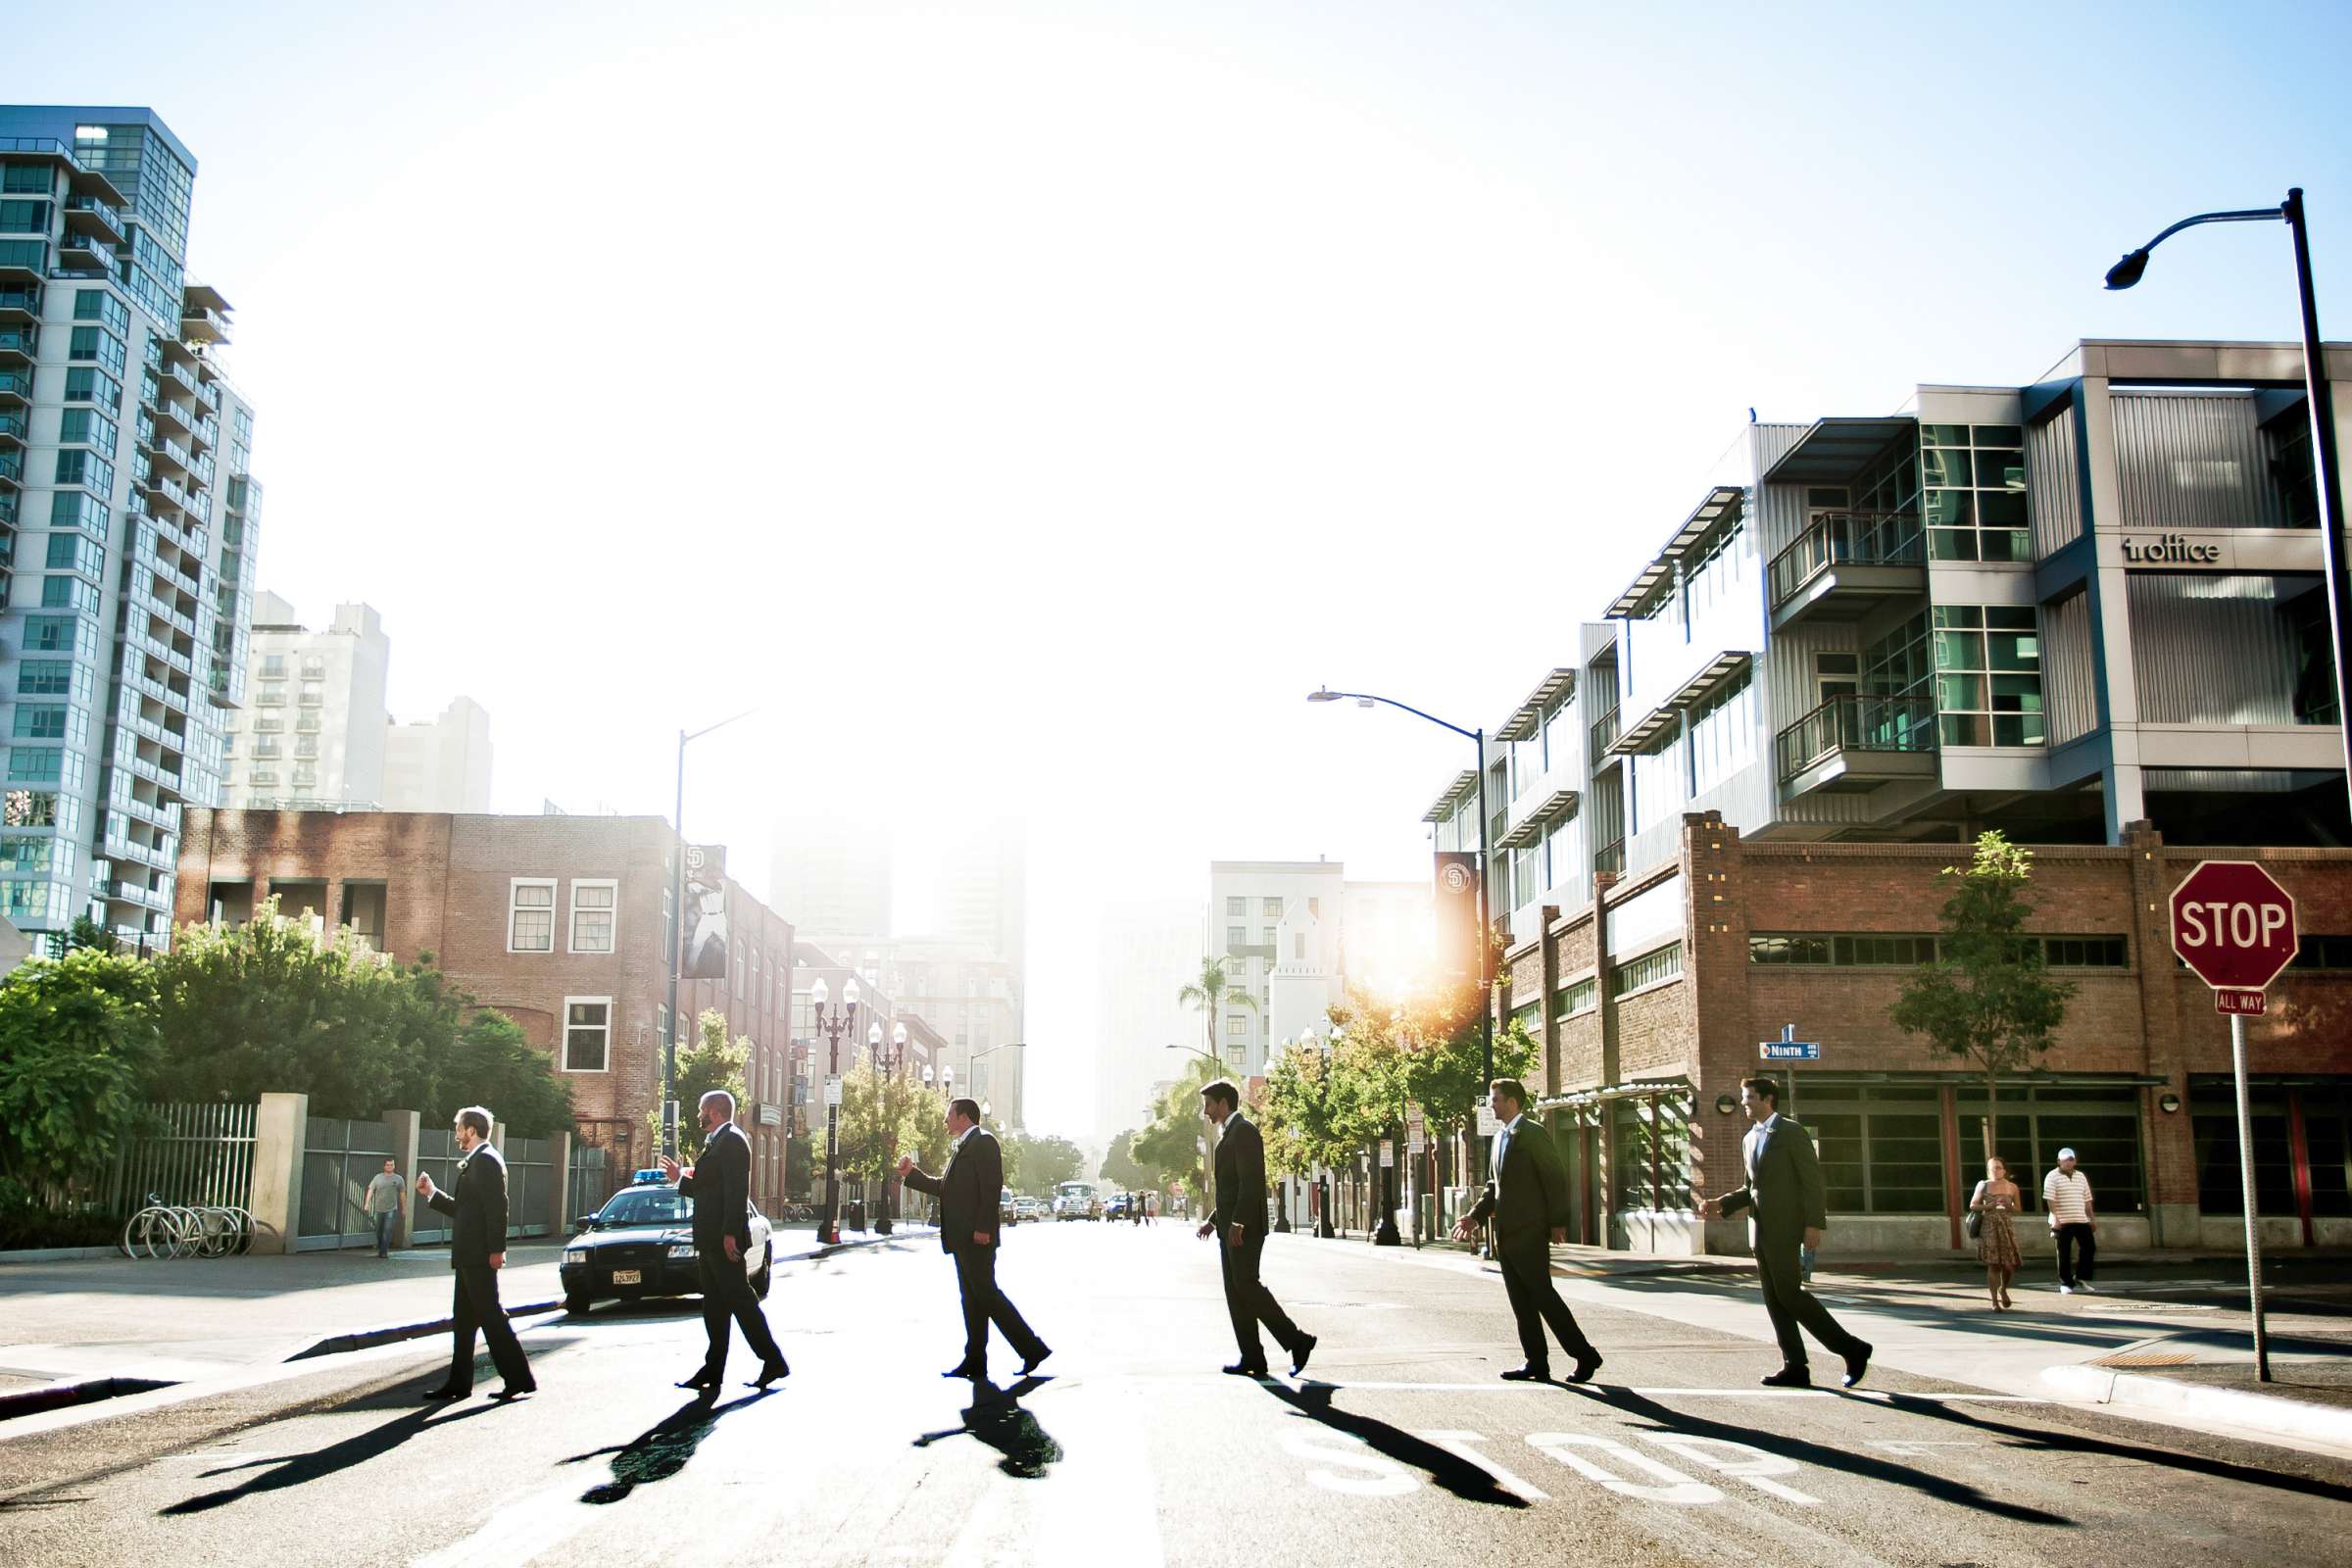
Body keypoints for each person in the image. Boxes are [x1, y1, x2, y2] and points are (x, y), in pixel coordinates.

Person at [1701, 1077, 1871, 1389]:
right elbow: (1751, 1188)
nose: (1744, 1103)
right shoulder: (1750, 1138)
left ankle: (1852, 1348)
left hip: (1787, 1228)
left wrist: (1813, 1224)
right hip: (1760, 1230)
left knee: (1790, 1294)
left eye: (1749, 1097)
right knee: (1775, 1299)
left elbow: (1812, 1181)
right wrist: (1721, 1203)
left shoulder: (1791, 1132)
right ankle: (1795, 1366)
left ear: (1767, 1099)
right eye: (1743, 1097)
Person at [1449, 1078, 1601, 1385]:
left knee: (1544, 1297)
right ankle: (1536, 1361)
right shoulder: (1499, 1139)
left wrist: (1558, 1221)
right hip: (1505, 1233)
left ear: (1513, 1102)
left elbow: (1555, 1177)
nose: (1491, 1105)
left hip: (1530, 1231)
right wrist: (1474, 1217)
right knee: (1521, 1302)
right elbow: (1495, 1187)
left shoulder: (1533, 1133)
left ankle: (1584, 1355)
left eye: (1496, 1099)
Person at [898, 1099, 1051, 1382]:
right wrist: (912, 1175)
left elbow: (991, 1188)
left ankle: (1032, 1348)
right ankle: (975, 1361)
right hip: (961, 1237)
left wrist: (983, 1228)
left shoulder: (984, 1143)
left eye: (948, 1116)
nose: (945, 1121)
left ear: (963, 1117)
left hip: (976, 1237)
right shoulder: (964, 1147)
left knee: (987, 1295)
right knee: (972, 1299)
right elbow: (945, 1188)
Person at [661, 1090, 788, 1392]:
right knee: (714, 1307)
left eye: (702, 1110)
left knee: (741, 1301)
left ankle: (773, 1360)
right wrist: (680, 1178)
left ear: (715, 1112)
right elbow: (708, 1188)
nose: (699, 1115)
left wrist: (731, 1233)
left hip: (722, 1238)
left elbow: (735, 1190)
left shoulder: (731, 1141)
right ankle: (713, 1369)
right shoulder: (718, 1140)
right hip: (709, 1237)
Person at [416, 1106, 537, 1401]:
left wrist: (497, 1250)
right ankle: (459, 1384)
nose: (456, 1133)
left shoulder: (486, 1161)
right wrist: (432, 1193)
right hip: (469, 1254)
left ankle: (520, 1378)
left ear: (471, 1130)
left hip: (480, 1255)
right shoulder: (477, 1161)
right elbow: (465, 1210)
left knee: (491, 1316)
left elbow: (497, 1208)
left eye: (459, 1127)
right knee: (464, 1320)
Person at [1197, 1079, 1315, 1378]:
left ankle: (1297, 1341)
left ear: (1224, 1103)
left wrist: (1238, 1221)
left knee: (1246, 1284)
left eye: (1208, 1105)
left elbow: (1250, 1183)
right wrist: (1213, 1221)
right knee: (1235, 1291)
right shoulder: (1230, 1134)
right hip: (1230, 1226)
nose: (1206, 1112)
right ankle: (1252, 1357)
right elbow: (1231, 1187)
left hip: (1243, 1228)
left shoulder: (1244, 1132)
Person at [1970, 1156, 2023, 1310]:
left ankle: (2003, 1289)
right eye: (1992, 1168)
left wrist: (2009, 1206)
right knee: (1993, 1265)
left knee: (2008, 1264)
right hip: (1989, 1226)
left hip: (2005, 1225)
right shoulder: (1983, 1185)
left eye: (1998, 1167)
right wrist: (1987, 1206)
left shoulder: (2012, 1187)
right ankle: (1994, 1301)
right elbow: (1973, 1205)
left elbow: (2018, 1209)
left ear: (2004, 1170)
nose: (1995, 1171)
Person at [2043, 1148, 2097, 1295]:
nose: (2068, 1162)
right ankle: (2066, 1283)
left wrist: (2091, 1219)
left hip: (2081, 1219)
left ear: (2075, 1161)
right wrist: (2056, 1219)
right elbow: (2050, 1199)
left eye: (2071, 1159)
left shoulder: (2080, 1176)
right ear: (2059, 1161)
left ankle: (2080, 1277)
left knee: (2089, 1248)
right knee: (2064, 1252)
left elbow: (2087, 1199)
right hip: (2062, 1221)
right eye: (2065, 1159)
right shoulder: (2052, 1176)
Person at [365, 1158, 405, 1259]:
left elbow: (402, 1194)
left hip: (391, 1209)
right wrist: (367, 1203)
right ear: (384, 1166)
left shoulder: (399, 1179)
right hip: (379, 1209)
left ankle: (384, 1252)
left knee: (387, 1230)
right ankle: (381, 1247)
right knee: (379, 1230)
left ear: (394, 1166)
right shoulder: (378, 1178)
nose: (390, 1167)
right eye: (388, 1165)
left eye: (392, 1165)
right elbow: (371, 1190)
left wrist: (404, 1208)